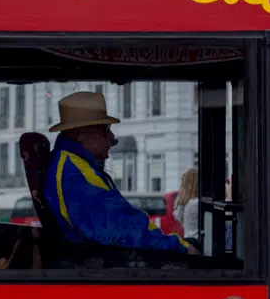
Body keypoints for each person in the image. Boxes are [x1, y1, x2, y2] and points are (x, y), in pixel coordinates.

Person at [44, 92, 193, 255]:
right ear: (81, 135)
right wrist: (180, 248)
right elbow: (120, 232)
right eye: (104, 130)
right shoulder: (74, 174)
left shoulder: (77, 165)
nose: (112, 137)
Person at [173, 167, 200, 242]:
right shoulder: (196, 202)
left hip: (188, 239)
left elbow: (177, 216)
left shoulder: (183, 202)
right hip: (197, 241)